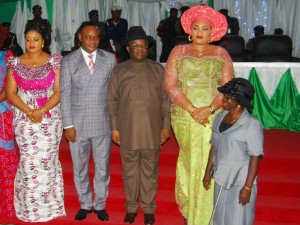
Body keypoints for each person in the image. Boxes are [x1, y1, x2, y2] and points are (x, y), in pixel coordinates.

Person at [164, 5, 234, 225]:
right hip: (184, 116)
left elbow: (228, 88)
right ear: (189, 30)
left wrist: (209, 109)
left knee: (209, 161)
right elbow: (170, 85)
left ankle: (206, 214)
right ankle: (189, 209)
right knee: (189, 160)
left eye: (205, 28)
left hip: (213, 117)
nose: (200, 32)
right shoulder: (178, 51)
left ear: (212, 32)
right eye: (196, 27)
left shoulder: (221, 53)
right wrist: (193, 109)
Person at [108, 26, 171, 225]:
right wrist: (115, 128)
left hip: (152, 130)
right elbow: (111, 102)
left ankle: (149, 209)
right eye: (134, 45)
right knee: (129, 173)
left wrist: (166, 126)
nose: (139, 49)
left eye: (142, 45)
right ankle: (131, 208)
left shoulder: (158, 69)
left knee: (150, 172)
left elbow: (165, 101)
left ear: (147, 47)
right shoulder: (119, 71)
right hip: (127, 131)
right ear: (127, 49)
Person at [5, 24, 65, 222]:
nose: (31, 43)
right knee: (29, 162)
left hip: (49, 120)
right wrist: (29, 111)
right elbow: (11, 93)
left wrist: (41, 110)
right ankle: (29, 209)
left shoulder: (54, 61)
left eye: (36, 39)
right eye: (28, 39)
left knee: (47, 163)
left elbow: (58, 91)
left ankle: (50, 208)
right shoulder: (15, 62)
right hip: (24, 119)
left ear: (44, 41)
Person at [60, 21, 117, 221]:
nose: (92, 41)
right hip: (77, 125)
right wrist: (67, 125)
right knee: (80, 167)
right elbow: (65, 95)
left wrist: (115, 123)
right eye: (88, 37)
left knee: (102, 167)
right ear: (79, 38)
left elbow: (114, 93)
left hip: (103, 122)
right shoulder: (68, 61)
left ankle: (100, 203)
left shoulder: (109, 59)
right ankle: (85, 203)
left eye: (96, 37)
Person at [203, 78, 264, 225]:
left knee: (238, 219)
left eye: (227, 98)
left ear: (239, 101)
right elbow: (214, 147)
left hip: (240, 181)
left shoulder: (252, 124)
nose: (222, 100)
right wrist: (207, 173)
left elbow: (255, 157)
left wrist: (247, 187)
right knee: (220, 218)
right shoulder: (219, 118)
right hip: (221, 177)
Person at [0, 48, 18, 218]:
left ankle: (7, 205)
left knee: (4, 159)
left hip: (3, 115)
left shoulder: (6, 57)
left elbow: (10, 87)